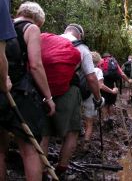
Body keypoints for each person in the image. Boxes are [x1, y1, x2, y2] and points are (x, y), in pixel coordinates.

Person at [0, 1, 56, 181]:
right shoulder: (31, 29)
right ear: (37, 19)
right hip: (21, 95)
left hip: (2, 91)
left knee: (0, 150)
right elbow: (35, 65)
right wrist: (48, 97)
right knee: (29, 151)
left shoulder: (4, 25)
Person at [41, 24, 103, 178]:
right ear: (80, 35)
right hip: (68, 92)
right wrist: (97, 98)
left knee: (44, 133)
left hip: (42, 90)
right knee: (72, 132)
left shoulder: (50, 40)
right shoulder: (82, 48)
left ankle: (41, 171)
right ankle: (61, 170)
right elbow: (90, 77)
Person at [82, 51, 118, 150]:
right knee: (89, 123)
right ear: (98, 61)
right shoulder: (97, 70)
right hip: (90, 98)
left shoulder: (81, 68)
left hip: (79, 97)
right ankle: (86, 144)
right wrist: (113, 91)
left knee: (83, 120)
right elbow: (100, 86)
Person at [98, 53, 132, 125]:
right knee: (111, 103)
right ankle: (111, 119)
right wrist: (128, 80)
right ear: (110, 56)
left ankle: (105, 119)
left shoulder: (100, 62)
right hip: (113, 85)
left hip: (103, 84)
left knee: (104, 104)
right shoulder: (114, 62)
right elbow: (122, 74)